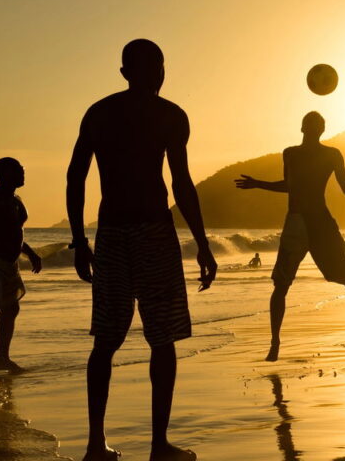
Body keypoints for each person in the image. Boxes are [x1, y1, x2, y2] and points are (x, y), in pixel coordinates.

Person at [67, 39, 218, 461]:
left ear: (124, 73)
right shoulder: (170, 115)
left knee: (106, 340)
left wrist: (80, 240)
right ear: (156, 71)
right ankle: (157, 446)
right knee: (162, 339)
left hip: (112, 232)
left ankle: (96, 445)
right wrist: (202, 244)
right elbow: (181, 184)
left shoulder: (99, 113)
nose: (160, 73)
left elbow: (75, 179)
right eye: (159, 65)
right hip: (153, 231)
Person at [235, 111, 345, 362]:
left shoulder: (297, 153)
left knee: (283, 286)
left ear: (303, 128)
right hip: (317, 222)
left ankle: (275, 343)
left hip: (302, 221)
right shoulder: (321, 154)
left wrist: (258, 183)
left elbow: (292, 186)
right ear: (321, 129)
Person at [0, 157, 42, 378]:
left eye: (22, 170)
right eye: (18, 171)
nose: (23, 174)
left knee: (11, 308)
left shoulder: (15, 200)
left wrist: (30, 253)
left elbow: (14, 233)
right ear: (3, 174)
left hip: (9, 264)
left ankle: (2, 357)